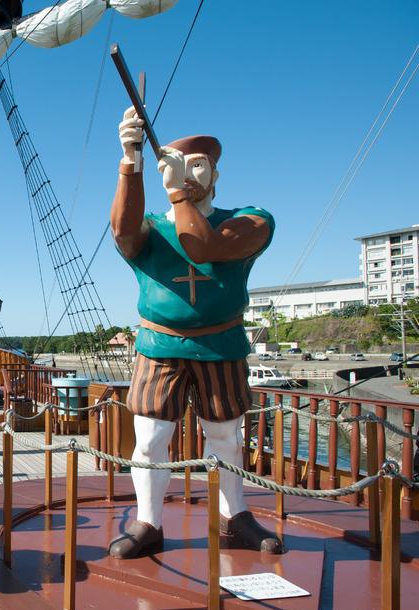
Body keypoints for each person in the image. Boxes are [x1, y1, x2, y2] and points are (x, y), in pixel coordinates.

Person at [107, 106, 282, 559]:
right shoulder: (151, 230)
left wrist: (179, 197)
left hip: (220, 344)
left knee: (225, 435)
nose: (188, 171)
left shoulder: (251, 219)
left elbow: (205, 244)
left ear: (216, 172)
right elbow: (123, 230)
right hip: (158, 346)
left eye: (198, 164)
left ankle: (234, 516)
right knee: (149, 439)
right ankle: (148, 521)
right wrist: (131, 160)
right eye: (179, 163)